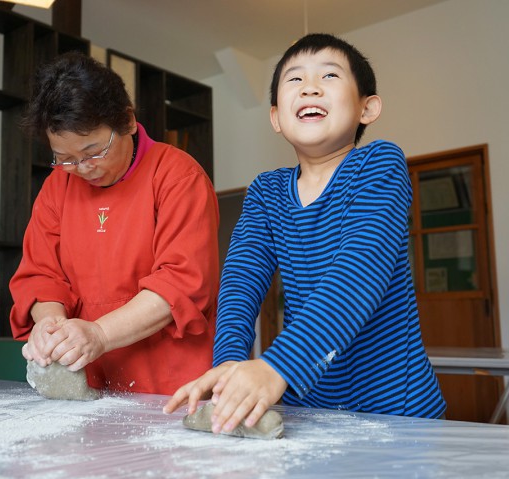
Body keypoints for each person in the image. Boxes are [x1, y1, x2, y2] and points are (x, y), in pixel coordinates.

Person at [165, 33, 446, 432]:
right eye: (295, 80)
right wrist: (229, 363)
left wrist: (275, 367)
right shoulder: (267, 191)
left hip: (398, 411)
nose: (310, 86)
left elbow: (358, 273)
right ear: (277, 117)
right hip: (312, 411)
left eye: (329, 76)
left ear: (368, 108)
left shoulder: (380, 165)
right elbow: (241, 281)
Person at [9, 52, 220, 395]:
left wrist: (101, 334)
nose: (83, 167)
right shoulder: (56, 187)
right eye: (65, 159)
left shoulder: (177, 176)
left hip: (170, 382)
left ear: (127, 121)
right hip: (89, 380)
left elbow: (181, 283)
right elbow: (41, 275)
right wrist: (51, 328)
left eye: (93, 151)